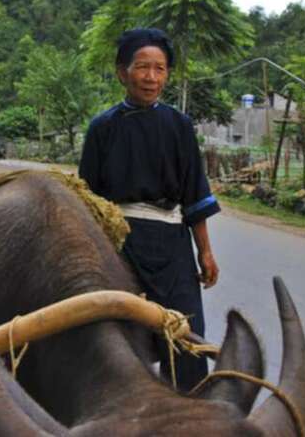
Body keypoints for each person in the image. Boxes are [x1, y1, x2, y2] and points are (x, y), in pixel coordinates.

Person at [78, 28, 221, 392]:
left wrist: (204, 251)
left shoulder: (179, 126)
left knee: (185, 335)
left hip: (172, 246)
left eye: (160, 69)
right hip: (119, 243)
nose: (151, 77)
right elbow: (88, 198)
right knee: (116, 335)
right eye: (142, 67)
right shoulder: (102, 129)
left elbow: (194, 194)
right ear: (121, 72)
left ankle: (189, 418)